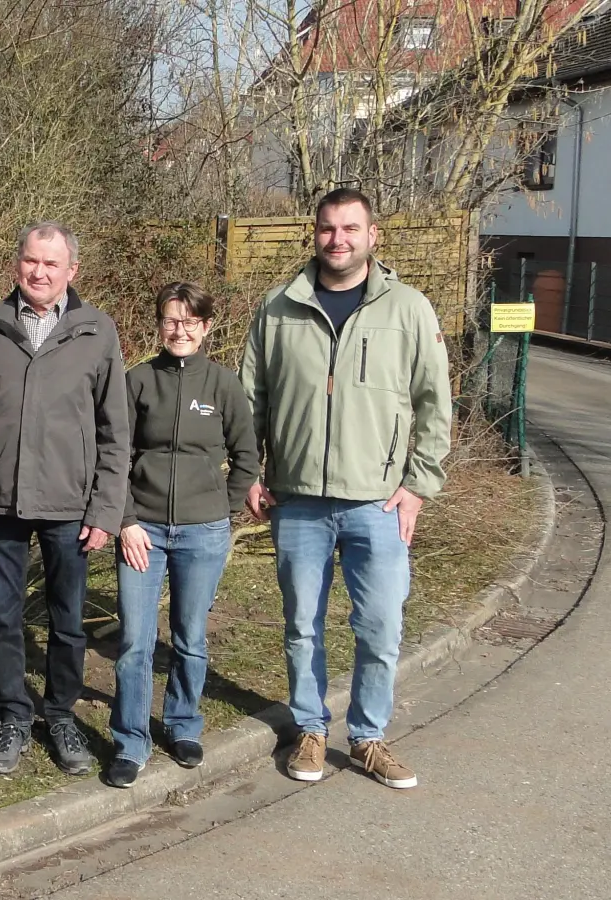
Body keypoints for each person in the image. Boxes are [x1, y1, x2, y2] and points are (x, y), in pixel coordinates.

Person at [239, 187, 452, 790]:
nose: (338, 239)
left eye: (350, 229)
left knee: (380, 627)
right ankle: (310, 727)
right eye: (328, 229)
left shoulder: (408, 309)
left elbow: (435, 403)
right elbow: (250, 399)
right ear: (316, 234)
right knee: (302, 624)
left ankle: (368, 737)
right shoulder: (278, 307)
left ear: (372, 235)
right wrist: (249, 471)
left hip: (376, 502)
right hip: (298, 499)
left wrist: (418, 485)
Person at [0, 222, 130, 777]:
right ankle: (11, 713)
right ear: (16, 264)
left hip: (69, 504)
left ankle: (60, 714)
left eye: (52, 264)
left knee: (68, 619)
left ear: (71, 271)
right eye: (31, 261)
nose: (40, 272)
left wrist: (105, 511)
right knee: (2, 617)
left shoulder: (97, 331)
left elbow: (114, 432)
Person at [103, 282, 261, 789]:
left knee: (190, 638)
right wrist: (125, 520)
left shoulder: (223, 385)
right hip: (142, 530)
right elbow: (114, 459)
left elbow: (246, 458)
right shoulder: (138, 381)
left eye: (190, 322)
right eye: (171, 320)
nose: (180, 330)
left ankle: (182, 724)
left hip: (203, 533)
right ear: (159, 325)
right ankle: (130, 742)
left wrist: (225, 510)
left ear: (206, 327)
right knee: (134, 641)